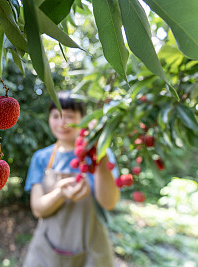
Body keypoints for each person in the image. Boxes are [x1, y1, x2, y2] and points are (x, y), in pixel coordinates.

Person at [23, 91, 120, 267]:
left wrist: (100, 153)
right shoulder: (41, 158)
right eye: (56, 116)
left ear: (83, 118)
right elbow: (37, 209)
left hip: (93, 254)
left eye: (69, 116)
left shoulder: (101, 154)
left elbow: (109, 203)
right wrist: (60, 194)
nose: (62, 122)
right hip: (47, 253)